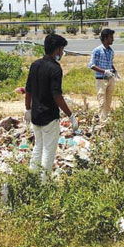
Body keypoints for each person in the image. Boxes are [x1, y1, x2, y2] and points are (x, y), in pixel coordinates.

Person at [25, 34, 78, 180]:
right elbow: (57, 96)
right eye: (61, 50)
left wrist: (28, 109)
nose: (62, 53)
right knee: (48, 151)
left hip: (35, 116)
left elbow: (28, 89)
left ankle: (32, 178)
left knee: (38, 147)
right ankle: (44, 184)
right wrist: (70, 115)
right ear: (57, 50)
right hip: (49, 117)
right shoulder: (55, 68)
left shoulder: (35, 65)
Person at [89, 28, 118, 124]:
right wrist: (104, 71)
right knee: (102, 102)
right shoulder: (97, 51)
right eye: (111, 37)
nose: (112, 39)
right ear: (105, 38)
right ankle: (102, 122)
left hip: (110, 79)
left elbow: (110, 63)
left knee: (108, 102)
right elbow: (92, 65)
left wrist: (114, 70)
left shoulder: (111, 51)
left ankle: (106, 120)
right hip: (101, 80)